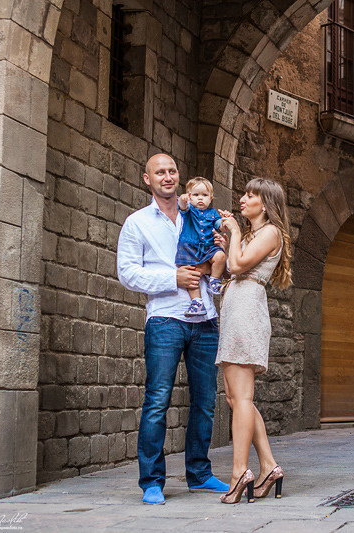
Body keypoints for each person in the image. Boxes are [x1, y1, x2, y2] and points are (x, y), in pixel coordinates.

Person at [116, 153, 230, 505]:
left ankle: (199, 474)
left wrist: (220, 255)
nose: (167, 176)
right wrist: (172, 278)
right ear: (146, 179)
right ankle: (151, 481)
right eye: (159, 172)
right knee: (157, 401)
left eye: (172, 171)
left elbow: (216, 263)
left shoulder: (197, 213)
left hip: (205, 319)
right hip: (165, 318)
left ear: (179, 177)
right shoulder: (137, 223)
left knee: (206, 402)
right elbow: (128, 272)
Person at [215, 178, 292, 504]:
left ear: (266, 203)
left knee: (242, 397)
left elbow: (237, 265)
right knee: (236, 398)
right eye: (244, 193)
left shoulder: (270, 232)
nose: (243, 199)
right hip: (236, 311)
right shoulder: (252, 235)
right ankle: (269, 466)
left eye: (251, 195)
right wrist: (230, 239)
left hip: (247, 313)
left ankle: (239, 472)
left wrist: (232, 233)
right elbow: (225, 269)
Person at [176, 177, 227, 317]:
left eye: (204, 195)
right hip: (190, 247)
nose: (200, 198)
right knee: (191, 275)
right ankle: (197, 302)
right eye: (196, 195)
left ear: (210, 198)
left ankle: (214, 281)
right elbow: (182, 206)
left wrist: (226, 221)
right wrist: (183, 199)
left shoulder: (213, 213)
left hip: (209, 246)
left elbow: (220, 226)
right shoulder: (189, 211)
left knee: (220, 256)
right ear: (190, 196)